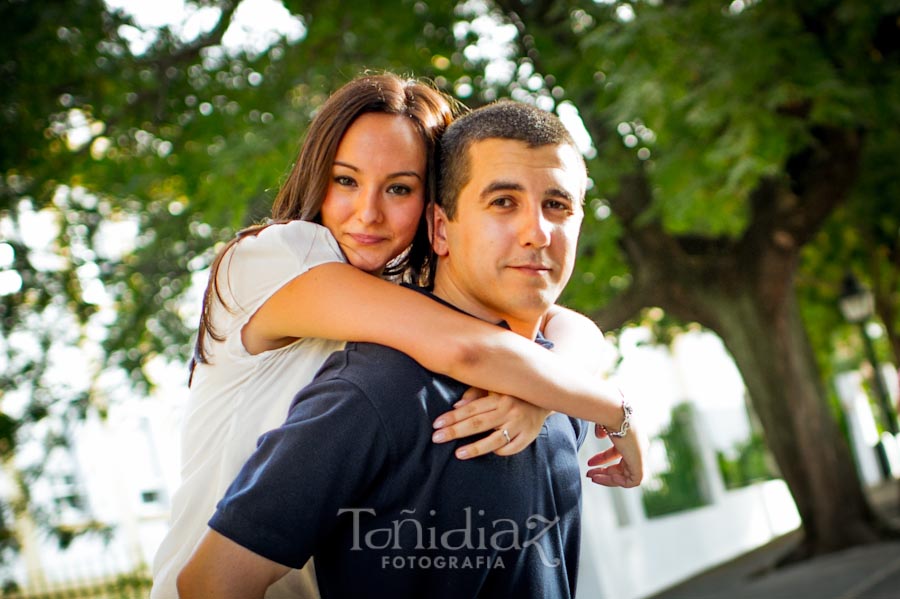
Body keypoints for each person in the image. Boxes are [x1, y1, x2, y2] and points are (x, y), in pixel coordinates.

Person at [177, 100, 644, 598]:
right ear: (442, 226)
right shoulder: (276, 259)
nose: (369, 212)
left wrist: (547, 393)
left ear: (426, 211)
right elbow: (467, 351)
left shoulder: (403, 289)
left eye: (399, 187)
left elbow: (564, 325)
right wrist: (614, 410)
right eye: (346, 180)